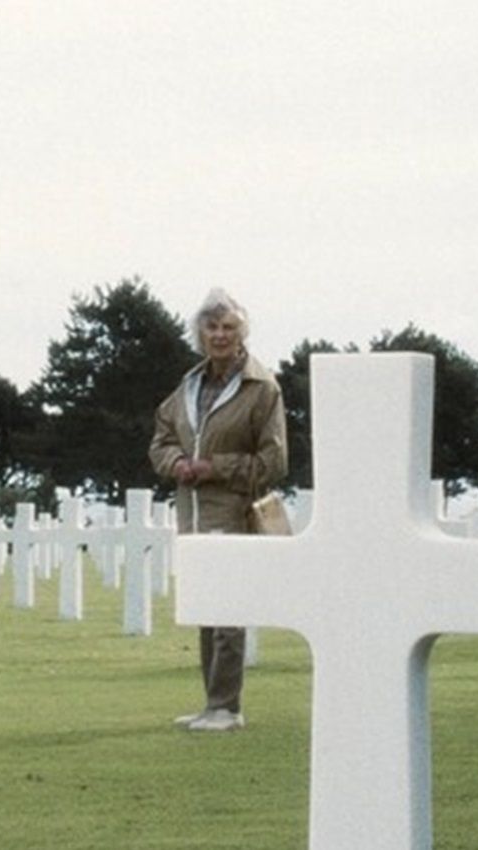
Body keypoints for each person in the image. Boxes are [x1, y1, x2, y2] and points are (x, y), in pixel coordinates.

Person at [147, 288, 286, 732]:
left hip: (235, 512)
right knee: (207, 606)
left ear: (241, 333)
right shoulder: (187, 388)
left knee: (228, 610)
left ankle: (227, 707)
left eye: (229, 327)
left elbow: (274, 462)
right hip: (193, 513)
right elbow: (162, 438)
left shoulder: (261, 389)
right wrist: (177, 464)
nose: (220, 335)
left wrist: (215, 468)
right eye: (211, 327)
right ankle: (212, 703)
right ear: (199, 333)